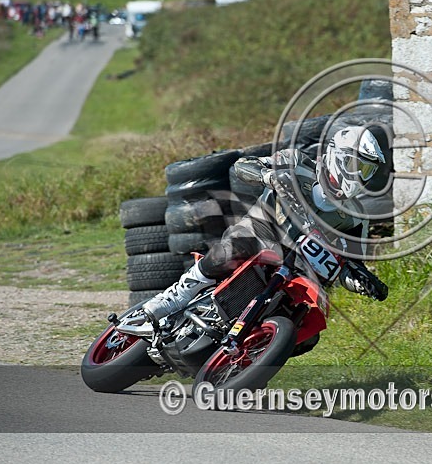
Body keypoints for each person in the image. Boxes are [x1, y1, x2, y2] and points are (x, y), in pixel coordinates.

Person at [142, 126, 389, 323]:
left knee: (308, 330)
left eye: (366, 170)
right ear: (337, 156)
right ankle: (176, 295)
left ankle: (252, 355)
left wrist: (359, 281)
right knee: (229, 251)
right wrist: (268, 177)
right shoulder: (296, 161)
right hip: (259, 233)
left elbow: (351, 262)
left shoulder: (356, 216)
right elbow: (242, 166)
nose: (358, 176)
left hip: (298, 268)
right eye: (355, 166)